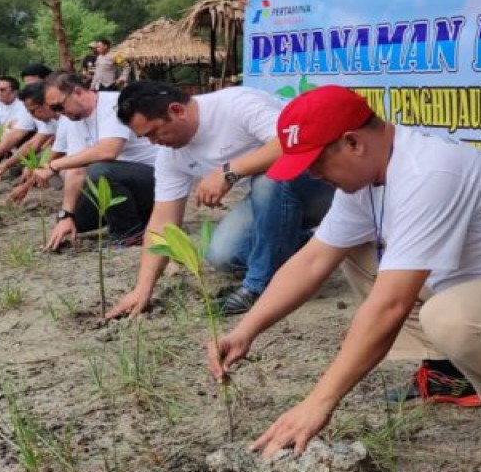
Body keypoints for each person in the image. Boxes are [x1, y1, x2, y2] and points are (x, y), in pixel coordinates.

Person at [207, 85, 481, 462]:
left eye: (317, 164)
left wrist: (318, 403)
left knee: (450, 316)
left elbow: (390, 305)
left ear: (353, 142)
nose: (313, 176)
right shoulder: (369, 176)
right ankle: (451, 370)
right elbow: (313, 259)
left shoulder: (428, 172)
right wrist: (247, 329)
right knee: (354, 249)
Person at [106, 81, 334, 318]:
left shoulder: (236, 104)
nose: (153, 142)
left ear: (177, 111)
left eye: (154, 132)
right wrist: (143, 289)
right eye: (146, 138)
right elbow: (162, 223)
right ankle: (308, 244)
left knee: (270, 178)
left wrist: (230, 170)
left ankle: (259, 286)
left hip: (330, 185)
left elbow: (294, 143)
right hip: (277, 204)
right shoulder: (170, 157)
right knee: (224, 255)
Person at [32, 71, 158, 251]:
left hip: (153, 180)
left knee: (99, 170)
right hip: (120, 184)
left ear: (77, 92)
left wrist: (54, 165)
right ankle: (138, 218)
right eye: (54, 110)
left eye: (60, 106)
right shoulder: (75, 118)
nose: (59, 113)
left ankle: (130, 233)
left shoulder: (115, 103)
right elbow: (75, 170)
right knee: (76, 221)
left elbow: (108, 151)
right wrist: (66, 215)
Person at [0, 64, 55, 175]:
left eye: (35, 85)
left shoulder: (63, 109)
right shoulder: (35, 106)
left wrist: (41, 165)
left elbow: (52, 143)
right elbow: (22, 136)